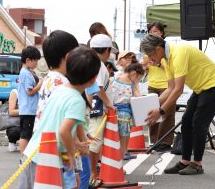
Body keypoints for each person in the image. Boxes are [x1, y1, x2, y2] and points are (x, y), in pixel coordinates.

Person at [140, 35, 215, 175]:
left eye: (150, 55)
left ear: (158, 49)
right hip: (200, 88)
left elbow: (178, 90)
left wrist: (160, 111)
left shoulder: (179, 53)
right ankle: (185, 161)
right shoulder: (166, 59)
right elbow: (170, 88)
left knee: (199, 123)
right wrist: (151, 105)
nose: (150, 60)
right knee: (186, 122)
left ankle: (197, 164)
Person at [18, 46, 101, 189]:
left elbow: (75, 125)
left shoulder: (60, 90)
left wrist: (82, 142)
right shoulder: (77, 101)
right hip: (46, 159)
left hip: (33, 154)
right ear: (94, 78)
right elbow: (64, 131)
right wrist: (71, 154)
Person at [86, 34, 117, 187]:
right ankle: (92, 174)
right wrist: (109, 103)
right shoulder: (99, 65)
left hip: (88, 108)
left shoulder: (89, 62)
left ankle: (89, 173)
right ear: (106, 50)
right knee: (94, 143)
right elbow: (97, 88)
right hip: (96, 109)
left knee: (89, 142)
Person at [143, 21, 176, 152]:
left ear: (162, 33)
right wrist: (145, 67)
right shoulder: (148, 51)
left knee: (167, 113)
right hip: (152, 84)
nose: (153, 34)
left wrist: (155, 64)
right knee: (152, 113)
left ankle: (166, 142)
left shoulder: (166, 48)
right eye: (151, 32)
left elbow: (166, 66)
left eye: (156, 31)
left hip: (166, 84)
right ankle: (154, 141)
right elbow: (146, 69)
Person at [109, 63, 144, 160]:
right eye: (139, 78)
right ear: (133, 74)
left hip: (111, 111)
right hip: (125, 113)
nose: (138, 81)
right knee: (123, 136)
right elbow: (139, 97)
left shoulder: (112, 80)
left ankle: (115, 155)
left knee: (112, 135)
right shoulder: (132, 85)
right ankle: (122, 153)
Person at [18, 46, 42, 154]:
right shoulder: (26, 73)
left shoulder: (26, 72)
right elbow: (30, 92)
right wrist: (40, 84)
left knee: (27, 134)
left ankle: (26, 156)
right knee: (25, 135)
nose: (36, 63)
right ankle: (23, 157)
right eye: (35, 60)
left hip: (28, 109)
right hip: (28, 110)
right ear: (28, 60)